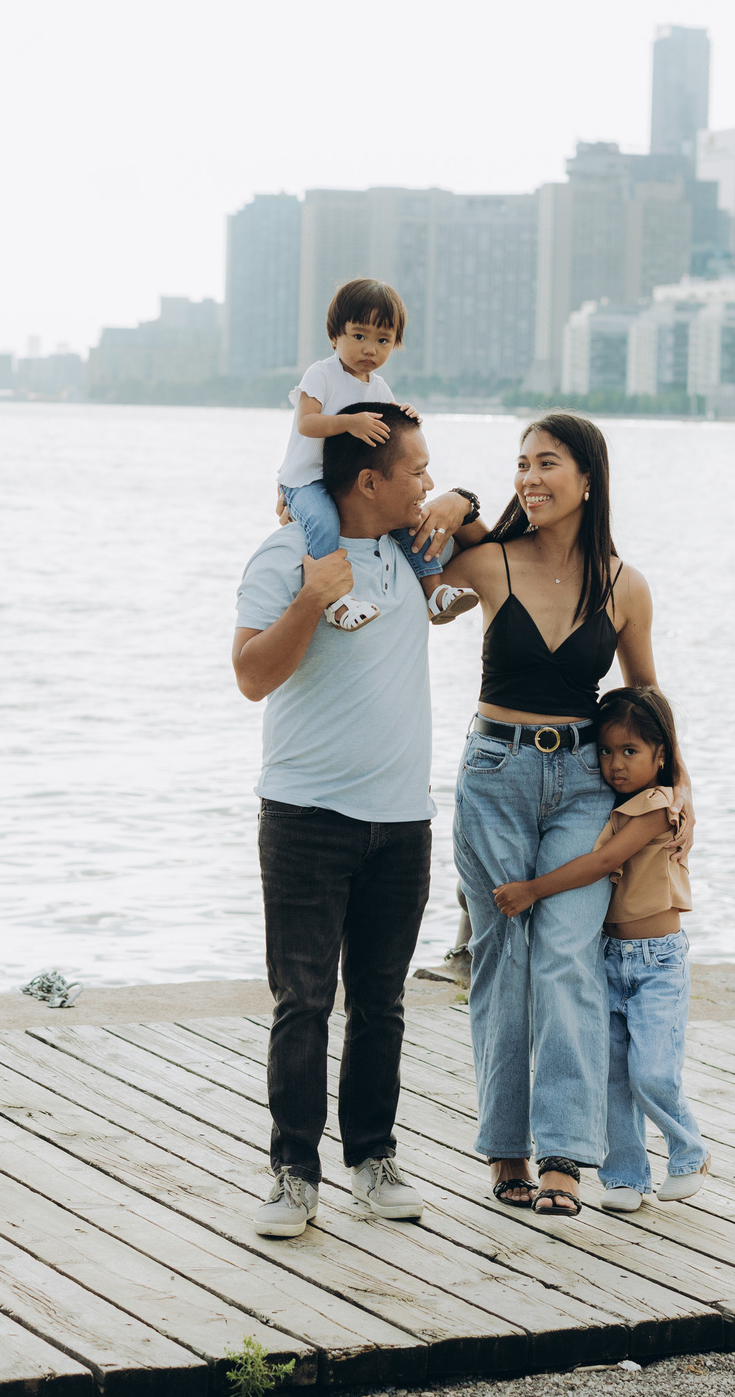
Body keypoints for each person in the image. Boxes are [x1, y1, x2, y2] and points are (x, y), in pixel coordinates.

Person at [232, 401, 483, 1237]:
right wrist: (311, 600)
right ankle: (293, 1174)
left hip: (401, 822)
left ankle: (372, 1159)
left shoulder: (416, 550)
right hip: (306, 816)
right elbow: (249, 676)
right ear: (367, 479)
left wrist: (463, 498)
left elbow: (512, 529)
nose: (424, 482)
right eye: (416, 471)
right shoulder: (287, 551)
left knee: (382, 1002)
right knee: (302, 1001)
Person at [427, 412, 680, 1217]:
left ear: (588, 479)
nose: (530, 479)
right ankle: (507, 1149)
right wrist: (455, 499)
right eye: (521, 465)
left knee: (568, 953)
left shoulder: (625, 584)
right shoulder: (490, 560)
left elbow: (647, 702)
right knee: (503, 954)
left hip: (583, 783)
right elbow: (421, 579)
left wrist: (678, 792)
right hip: (495, 771)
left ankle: (568, 1154)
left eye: (547, 464)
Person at [488, 686, 707, 1213]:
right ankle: (625, 1175)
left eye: (630, 752)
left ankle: (688, 1151)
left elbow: (599, 862)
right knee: (609, 1075)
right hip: (609, 957)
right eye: (605, 752)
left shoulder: (658, 806)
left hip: (658, 962)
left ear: (662, 755)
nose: (615, 765)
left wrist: (533, 889)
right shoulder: (610, 804)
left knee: (651, 1070)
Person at [275, 277, 480, 632]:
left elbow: (391, 434)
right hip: (306, 480)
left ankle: (433, 591)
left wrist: (406, 415)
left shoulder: (379, 386)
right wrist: (349, 422)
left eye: (382, 340)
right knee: (324, 523)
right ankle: (335, 601)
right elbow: (307, 423)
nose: (370, 349)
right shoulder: (321, 374)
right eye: (359, 336)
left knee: (406, 521)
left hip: (346, 483)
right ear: (334, 335)